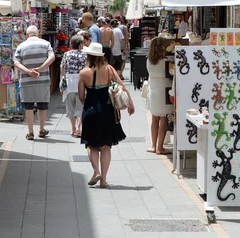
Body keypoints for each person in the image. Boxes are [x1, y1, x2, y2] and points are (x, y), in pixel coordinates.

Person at [78, 43, 134, 188]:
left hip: (90, 110)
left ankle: (96, 171)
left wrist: (88, 103)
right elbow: (122, 85)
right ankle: (104, 179)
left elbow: (80, 96)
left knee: (91, 144)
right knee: (106, 146)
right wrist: (130, 103)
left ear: (89, 56)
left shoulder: (83, 72)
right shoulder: (109, 69)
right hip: (107, 110)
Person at [13, 26, 55, 140]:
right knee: (42, 106)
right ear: (38, 33)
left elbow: (16, 63)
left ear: (27, 35)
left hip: (26, 81)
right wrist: (40, 69)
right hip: (43, 80)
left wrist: (28, 71)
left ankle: (30, 132)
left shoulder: (21, 46)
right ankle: (41, 130)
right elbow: (52, 57)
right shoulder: (46, 44)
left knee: (28, 107)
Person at [146, 37, 173, 155]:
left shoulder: (148, 60)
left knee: (154, 117)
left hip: (153, 89)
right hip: (164, 89)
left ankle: (153, 145)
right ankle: (160, 147)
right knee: (163, 118)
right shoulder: (166, 61)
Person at [60, 35, 87, 137]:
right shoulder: (85, 55)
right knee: (80, 106)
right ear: (80, 44)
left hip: (69, 82)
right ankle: (78, 128)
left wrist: (61, 83)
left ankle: (72, 128)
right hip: (81, 82)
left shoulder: (66, 54)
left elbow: (62, 69)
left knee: (70, 107)